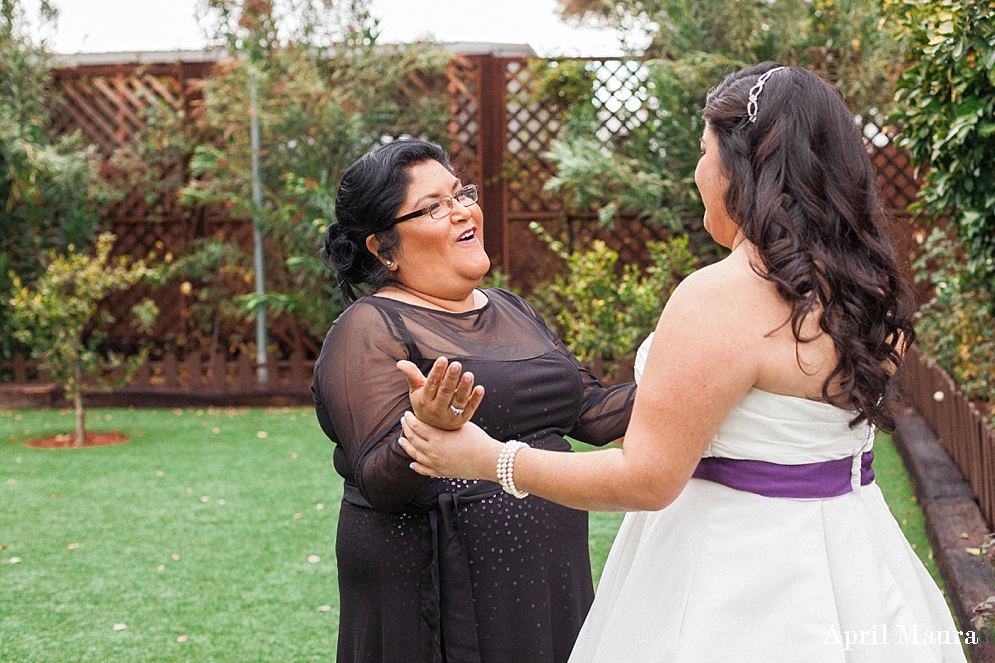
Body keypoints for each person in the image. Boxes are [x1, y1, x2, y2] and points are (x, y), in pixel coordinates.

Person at [398, 64, 969, 662]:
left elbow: (645, 478)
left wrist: (488, 459)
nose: (697, 172)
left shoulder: (720, 297)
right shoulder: (869, 289)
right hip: (860, 562)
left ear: (740, 167)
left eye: (703, 152)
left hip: (733, 578)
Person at [311, 138, 636, 663]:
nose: (464, 211)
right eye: (435, 206)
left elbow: (593, 411)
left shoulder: (512, 309)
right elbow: (377, 477)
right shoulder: (369, 328)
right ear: (383, 247)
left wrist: (699, 376)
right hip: (438, 590)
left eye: (461, 193)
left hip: (546, 575)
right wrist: (427, 429)